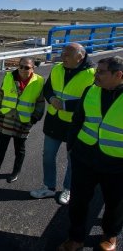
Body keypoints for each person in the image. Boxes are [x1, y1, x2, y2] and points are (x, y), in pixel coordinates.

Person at [58, 56, 123, 251]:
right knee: (78, 201)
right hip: (84, 157)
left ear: (119, 75)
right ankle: (76, 238)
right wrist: (71, 147)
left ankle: (110, 235)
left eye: (101, 72)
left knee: (115, 203)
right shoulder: (90, 90)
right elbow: (78, 120)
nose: (96, 75)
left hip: (117, 163)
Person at [30, 43, 95, 205]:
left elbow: (91, 100)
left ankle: (68, 189)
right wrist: (51, 99)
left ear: (79, 57)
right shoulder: (58, 68)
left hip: (76, 124)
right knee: (48, 156)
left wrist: (65, 105)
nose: (62, 57)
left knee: (73, 160)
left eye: (67, 55)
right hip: (54, 121)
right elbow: (48, 89)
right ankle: (49, 187)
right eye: (62, 53)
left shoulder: (93, 73)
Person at [0, 57, 45, 183]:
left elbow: (40, 103)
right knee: (1, 147)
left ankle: (15, 172)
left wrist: (34, 118)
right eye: (21, 66)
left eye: (27, 67)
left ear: (33, 68)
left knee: (19, 148)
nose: (23, 70)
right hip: (6, 117)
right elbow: (0, 95)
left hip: (24, 120)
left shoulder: (39, 81)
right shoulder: (9, 76)